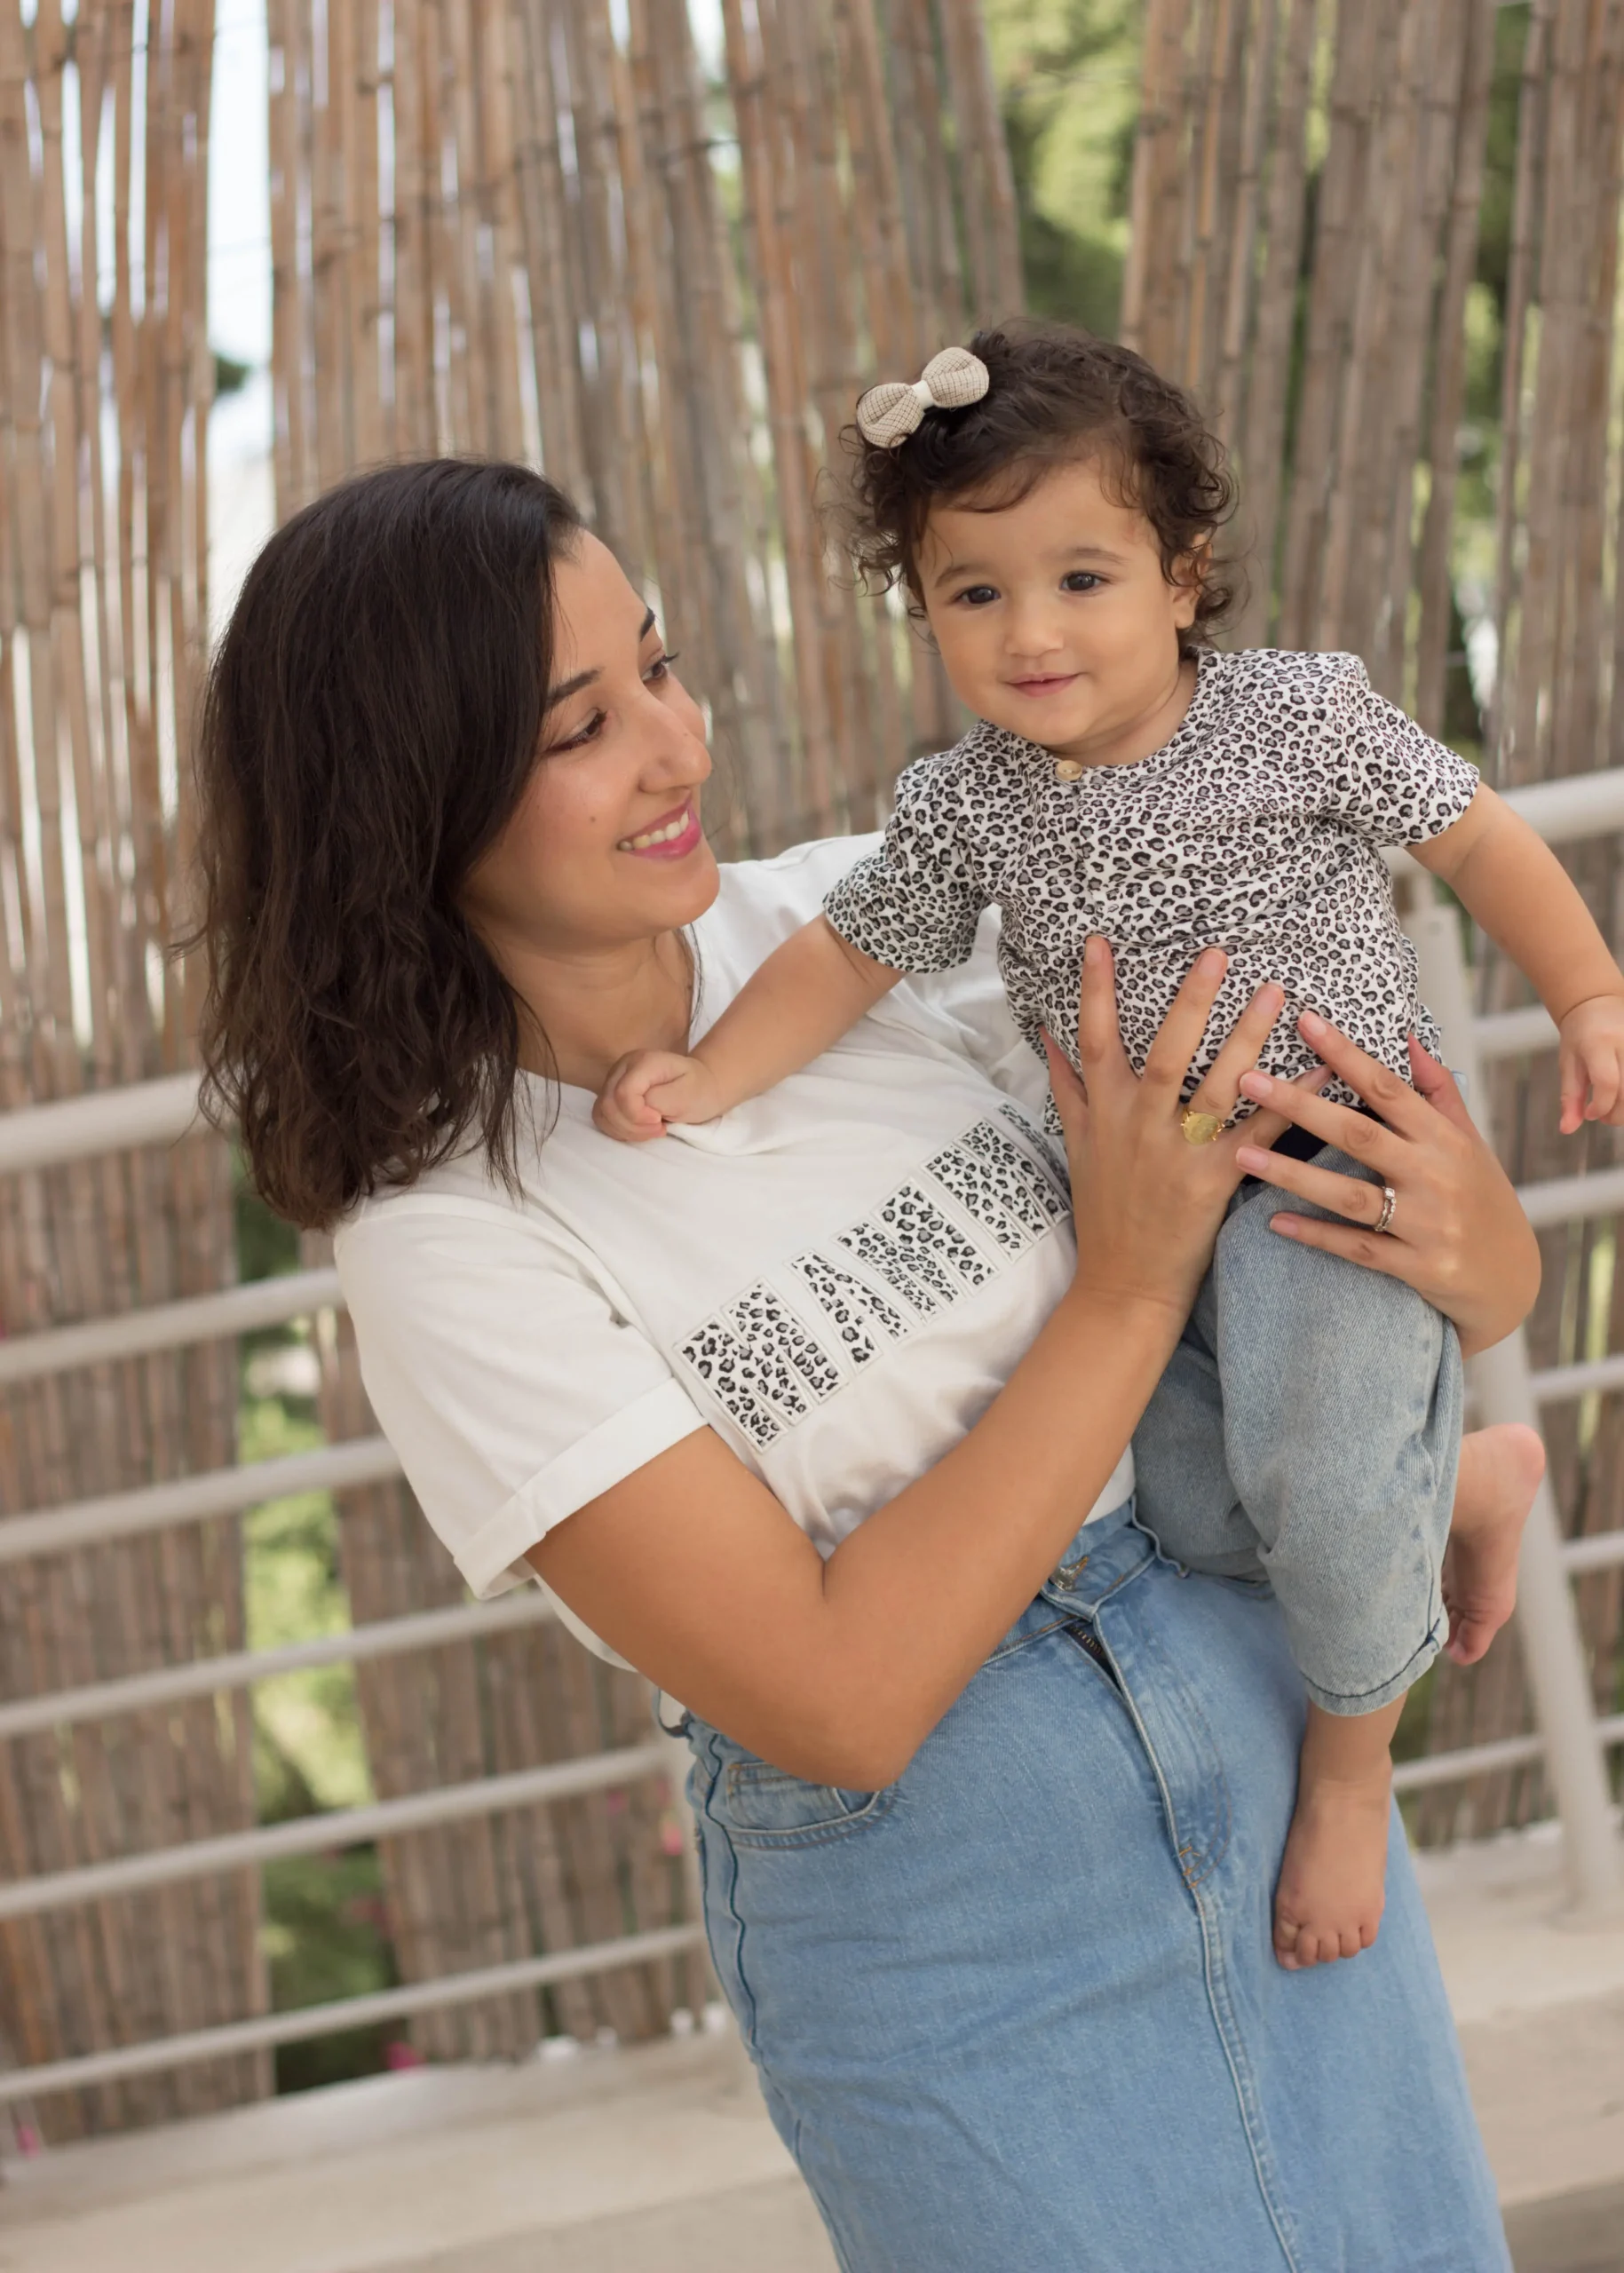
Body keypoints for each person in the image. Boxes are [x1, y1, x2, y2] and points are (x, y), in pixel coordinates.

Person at [190, 455, 1538, 2271]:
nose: (677, 748)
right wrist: (1122, 1298)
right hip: (950, 1907)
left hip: (1246, 1713)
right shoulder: (447, 1235)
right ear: (407, 802)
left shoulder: (853, 927)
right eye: (583, 722)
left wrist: (1481, 1252)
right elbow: (836, 1693)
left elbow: (1323, 1188)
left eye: (658, 667)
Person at [592, 321, 1594, 1969]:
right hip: (1129, 1206)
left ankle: (1355, 1769)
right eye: (975, 593)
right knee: (1196, 1510)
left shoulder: (1297, 718)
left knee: (1319, 1481)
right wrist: (708, 1074)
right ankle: (1469, 1482)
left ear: (1184, 575)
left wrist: (1590, 991)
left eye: (1081, 578)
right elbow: (849, 953)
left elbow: (1475, 835)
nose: (1030, 631)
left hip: (1326, 1172)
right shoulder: (972, 802)